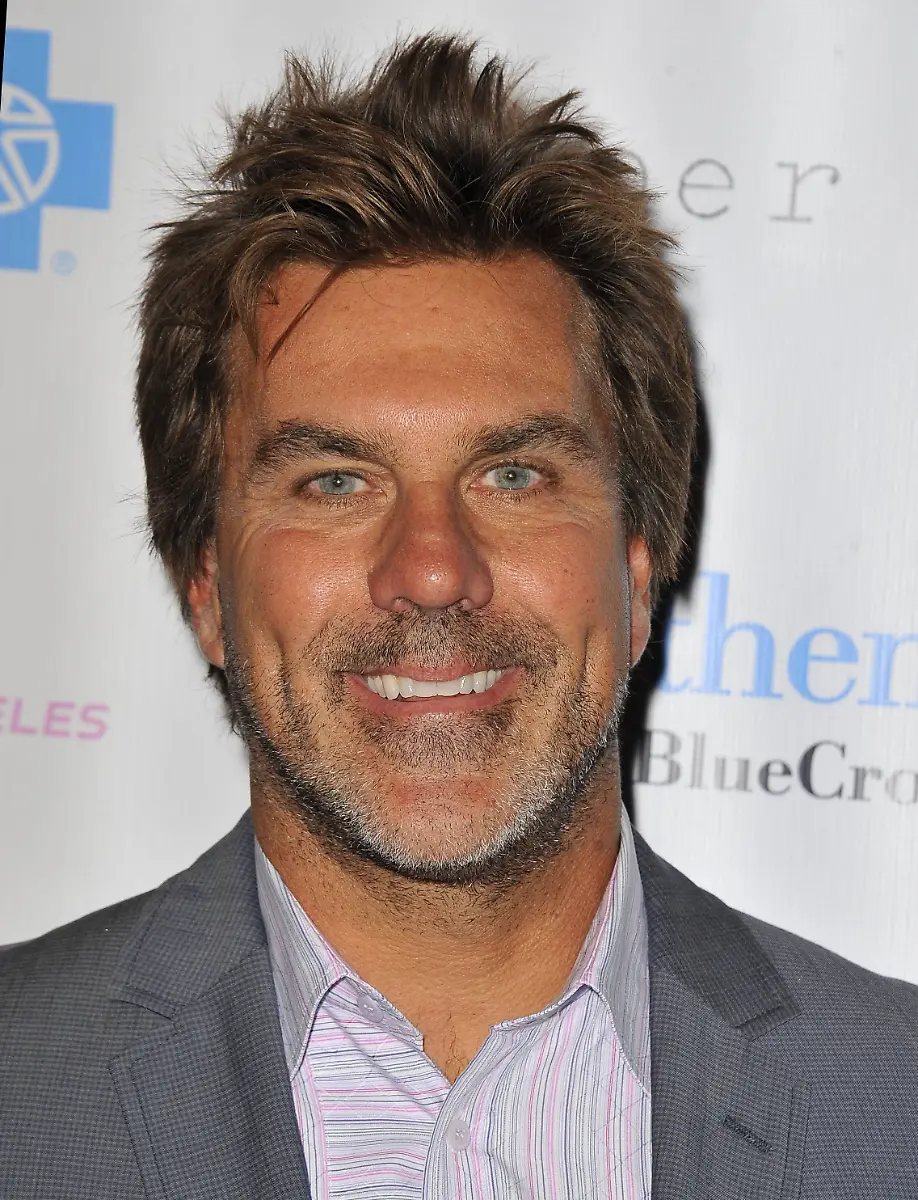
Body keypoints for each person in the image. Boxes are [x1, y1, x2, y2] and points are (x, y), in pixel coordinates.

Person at [1, 34, 916, 1200]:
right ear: (205, 584)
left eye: (514, 475)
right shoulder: (20, 1089)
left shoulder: (894, 1105)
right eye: (336, 481)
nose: (432, 571)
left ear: (639, 569)